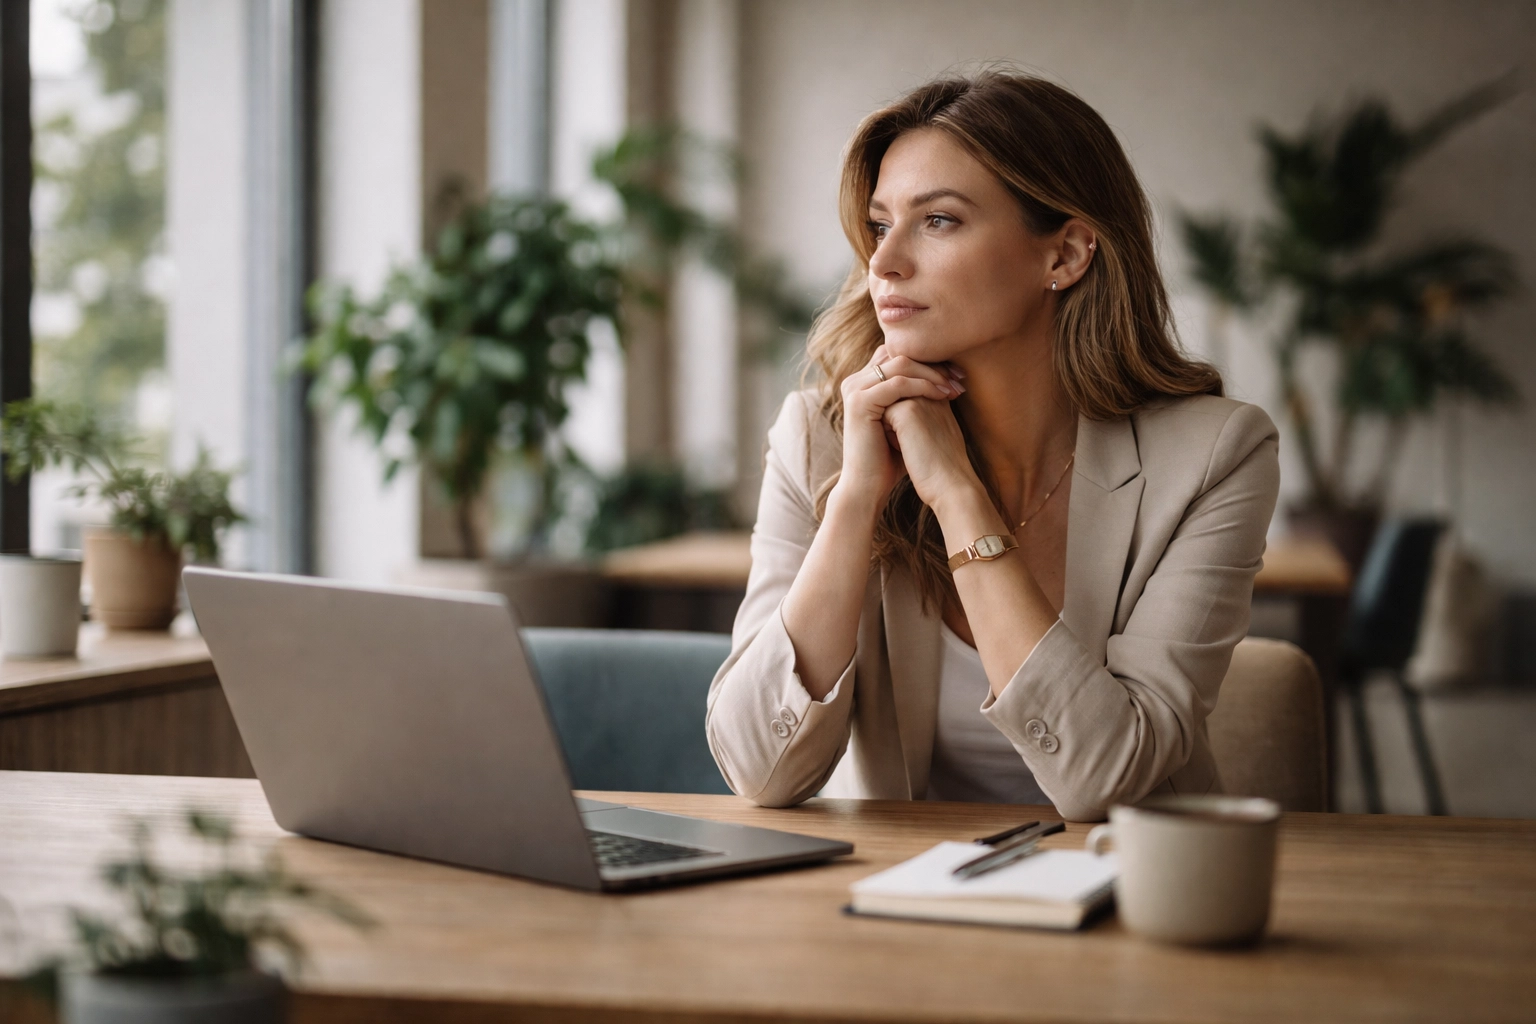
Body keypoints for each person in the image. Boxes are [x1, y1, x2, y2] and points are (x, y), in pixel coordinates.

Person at [705, 71, 1280, 822]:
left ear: (1065, 255)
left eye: (938, 221)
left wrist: (957, 495)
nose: (884, 262)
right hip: (891, 886)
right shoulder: (821, 437)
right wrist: (854, 503)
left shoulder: (1212, 456)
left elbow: (1107, 780)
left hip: (1127, 878)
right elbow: (759, 770)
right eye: (880, 225)